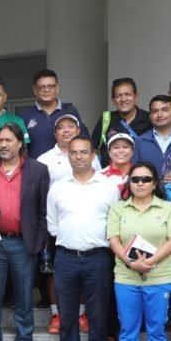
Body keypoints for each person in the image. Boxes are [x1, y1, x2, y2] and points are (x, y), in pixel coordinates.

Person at [0, 123, 50, 341]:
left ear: (20, 143)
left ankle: (24, 336)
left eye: (8, 140)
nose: (3, 144)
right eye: (0, 140)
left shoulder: (38, 170)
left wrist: (39, 240)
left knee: (24, 295)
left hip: (23, 242)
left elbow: (43, 209)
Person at [47, 137, 120, 341]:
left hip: (98, 258)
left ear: (93, 155)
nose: (78, 157)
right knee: (67, 317)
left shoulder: (108, 187)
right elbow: (52, 224)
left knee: (98, 316)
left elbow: (115, 222)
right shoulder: (58, 187)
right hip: (66, 258)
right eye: (73, 152)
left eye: (83, 152)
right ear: (68, 156)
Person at [108, 162, 171, 341]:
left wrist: (149, 262)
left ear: (155, 184)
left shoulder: (168, 208)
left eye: (146, 179)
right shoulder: (118, 209)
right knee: (127, 332)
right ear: (129, 183)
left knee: (157, 332)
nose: (140, 183)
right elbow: (114, 241)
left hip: (159, 277)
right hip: (126, 278)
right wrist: (131, 263)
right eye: (135, 179)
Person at [19, 69, 90, 159]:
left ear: (57, 88)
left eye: (51, 86)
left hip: (69, 165)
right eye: (42, 87)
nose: (46, 90)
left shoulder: (70, 111)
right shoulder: (25, 116)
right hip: (37, 166)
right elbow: (20, 149)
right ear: (35, 90)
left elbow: (85, 142)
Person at [91, 78, 151, 166]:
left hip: (140, 173)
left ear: (136, 97)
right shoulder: (106, 119)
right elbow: (93, 149)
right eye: (118, 96)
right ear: (113, 100)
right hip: (109, 173)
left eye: (128, 94)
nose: (123, 99)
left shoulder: (148, 119)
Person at [37, 114, 101, 184]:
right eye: (60, 127)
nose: (66, 130)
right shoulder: (43, 160)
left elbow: (100, 180)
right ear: (55, 134)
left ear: (78, 131)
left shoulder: (90, 156)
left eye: (70, 126)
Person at [134, 95, 171, 182]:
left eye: (165, 110)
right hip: (150, 190)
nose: (159, 115)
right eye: (154, 111)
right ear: (150, 116)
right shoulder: (140, 142)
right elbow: (134, 174)